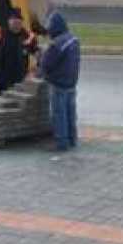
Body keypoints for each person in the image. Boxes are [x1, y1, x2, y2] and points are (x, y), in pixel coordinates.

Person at [38, 11, 80, 152]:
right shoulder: (73, 39)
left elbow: (47, 63)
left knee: (59, 114)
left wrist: (41, 70)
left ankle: (62, 143)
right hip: (71, 82)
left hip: (58, 84)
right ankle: (72, 139)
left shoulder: (57, 44)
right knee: (70, 113)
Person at [0, 8, 38, 92]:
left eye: (18, 21)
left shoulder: (28, 36)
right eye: (14, 20)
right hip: (2, 78)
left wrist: (35, 71)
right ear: (9, 21)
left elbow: (36, 53)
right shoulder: (0, 33)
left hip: (20, 78)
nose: (16, 23)